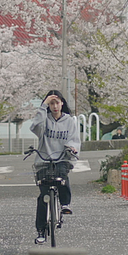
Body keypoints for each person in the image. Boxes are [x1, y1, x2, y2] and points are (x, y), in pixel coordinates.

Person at [29, 89, 82, 244]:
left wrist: (72, 148)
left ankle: (65, 203)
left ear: (62, 103)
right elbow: (35, 127)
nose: (54, 106)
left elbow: (74, 139)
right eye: (51, 103)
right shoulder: (44, 120)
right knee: (43, 196)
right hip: (44, 160)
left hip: (62, 158)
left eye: (57, 102)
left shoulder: (69, 121)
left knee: (62, 178)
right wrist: (42, 107)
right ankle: (41, 231)